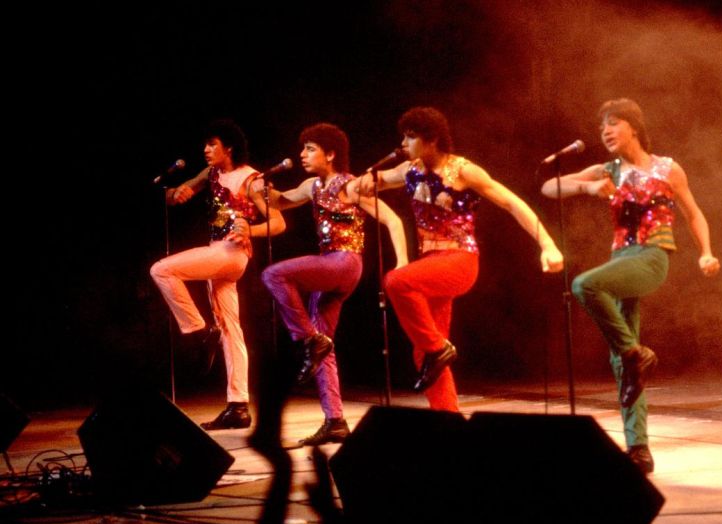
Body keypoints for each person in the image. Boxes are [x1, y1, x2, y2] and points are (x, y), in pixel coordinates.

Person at [541, 99, 720, 474]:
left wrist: (705, 252)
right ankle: (638, 447)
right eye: (602, 127)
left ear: (633, 128)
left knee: (584, 285)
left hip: (652, 256)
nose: (605, 132)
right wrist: (588, 190)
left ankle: (635, 354)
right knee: (623, 361)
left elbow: (693, 212)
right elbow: (548, 187)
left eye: (613, 124)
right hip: (622, 259)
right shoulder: (606, 170)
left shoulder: (667, 168)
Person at [371, 106, 564, 412]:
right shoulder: (409, 170)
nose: (404, 145)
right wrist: (358, 184)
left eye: (410, 138)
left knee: (396, 281)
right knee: (422, 354)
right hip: (430, 267)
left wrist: (547, 243)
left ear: (432, 139)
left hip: (459, 260)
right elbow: (375, 180)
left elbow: (512, 203)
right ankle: (449, 421)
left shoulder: (463, 170)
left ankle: (438, 349)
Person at [264, 123, 408, 446]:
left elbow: (393, 220)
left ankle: (307, 339)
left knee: (273, 274)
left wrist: (402, 262)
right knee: (324, 343)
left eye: (310, 149)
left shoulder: (350, 186)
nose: (302, 154)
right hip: (329, 267)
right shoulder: (311, 186)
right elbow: (278, 201)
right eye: (303, 149)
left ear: (330, 154)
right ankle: (335, 420)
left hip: (344, 263)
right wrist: (254, 188)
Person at [153, 119, 286, 430]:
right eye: (205, 145)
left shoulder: (251, 179)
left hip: (232, 254)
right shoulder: (211, 173)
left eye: (212, 144)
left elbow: (279, 223)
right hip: (217, 253)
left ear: (229, 148)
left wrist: (250, 230)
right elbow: (182, 191)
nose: (206, 150)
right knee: (231, 329)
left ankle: (199, 331)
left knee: (161, 269)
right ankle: (238, 406)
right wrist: (176, 192)